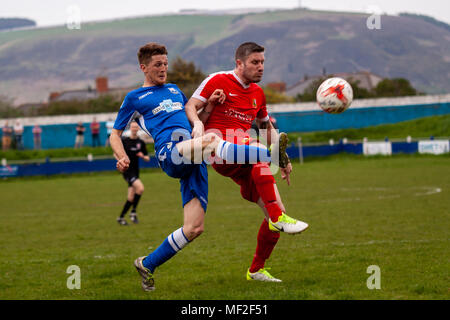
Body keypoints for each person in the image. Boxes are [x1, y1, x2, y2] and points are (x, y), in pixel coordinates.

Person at [110, 42, 285, 291]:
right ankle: (265, 154)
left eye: (165, 64)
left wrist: (211, 106)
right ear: (144, 67)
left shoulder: (174, 90)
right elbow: (115, 134)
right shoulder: (135, 97)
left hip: (194, 159)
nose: (163, 69)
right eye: (157, 65)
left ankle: (147, 264)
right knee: (214, 140)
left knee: (194, 228)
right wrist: (121, 156)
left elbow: (198, 122)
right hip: (170, 153)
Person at [185, 42, 308, 283]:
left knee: (275, 212)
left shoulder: (257, 93)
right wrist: (199, 123)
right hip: (218, 147)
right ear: (239, 63)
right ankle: (278, 217)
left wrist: (283, 159)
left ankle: (256, 270)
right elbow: (191, 105)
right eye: (255, 62)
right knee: (256, 149)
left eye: (262, 62)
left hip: (244, 157)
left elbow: (265, 126)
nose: (261, 67)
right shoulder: (217, 79)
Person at [117, 121, 150, 226]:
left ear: (138, 128)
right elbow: (115, 153)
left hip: (136, 171)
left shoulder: (141, 142)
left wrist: (142, 156)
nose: (135, 129)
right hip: (127, 171)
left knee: (131, 197)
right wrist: (120, 161)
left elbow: (147, 158)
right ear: (130, 128)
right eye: (133, 127)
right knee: (140, 188)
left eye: (136, 127)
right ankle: (133, 212)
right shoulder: (125, 141)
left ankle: (121, 217)